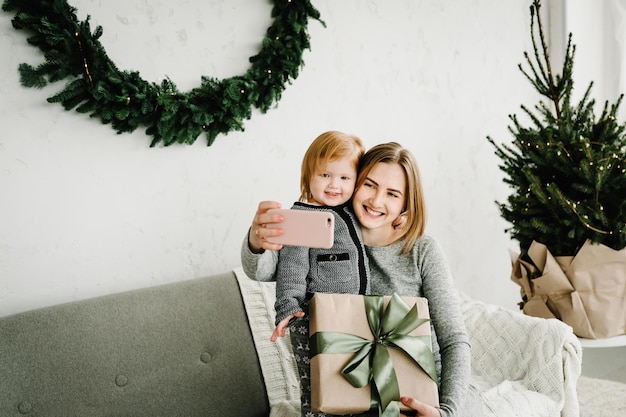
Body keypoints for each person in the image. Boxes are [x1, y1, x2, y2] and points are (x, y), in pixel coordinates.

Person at [241, 142, 483, 417]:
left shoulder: (422, 250)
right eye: (369, 185)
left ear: (406, 203)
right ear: (355, 183)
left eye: (392, 194)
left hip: (424, 393)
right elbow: (260, 270)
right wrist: (257, 239)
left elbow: (454, 340)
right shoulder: (321, 233)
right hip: (350, 393)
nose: (376, 201)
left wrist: (446, 411)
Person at [270, 131, 369, 343]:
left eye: (344, 178)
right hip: (319, 318)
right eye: (325, 175)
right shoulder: (303, 217)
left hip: (358, 316)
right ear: (308, 175)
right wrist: (288, 306)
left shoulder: (354, 211)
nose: (334, 185)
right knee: (323, 373)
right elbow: (292, 268)